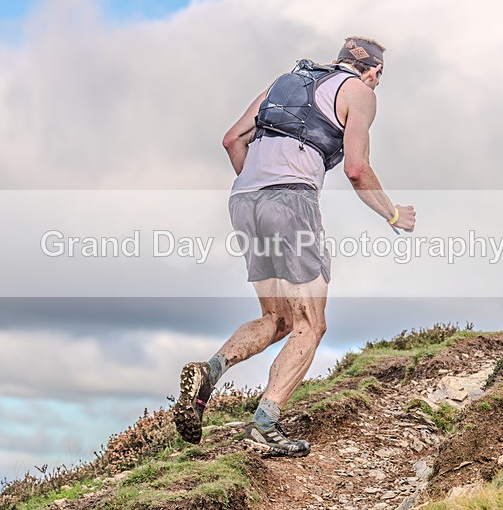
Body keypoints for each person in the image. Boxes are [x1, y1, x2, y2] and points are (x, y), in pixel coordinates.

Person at [173, 36, 416, 457]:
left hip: (243, 201)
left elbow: (232, 140)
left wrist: (260, 191)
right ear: (373, 70)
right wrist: (393, 214)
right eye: (379, 76)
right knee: (311, 324)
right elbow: (356, 169)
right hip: (290, 201)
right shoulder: (359, 92)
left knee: (278, 319)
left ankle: (209, 373)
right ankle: (265, 423)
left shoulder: (284, 82)